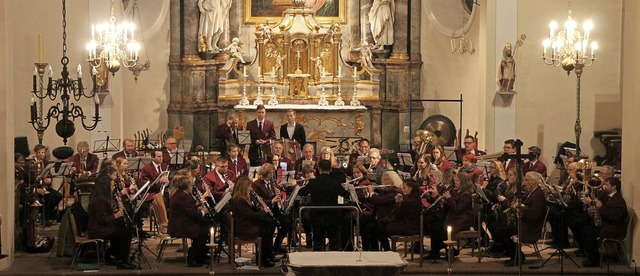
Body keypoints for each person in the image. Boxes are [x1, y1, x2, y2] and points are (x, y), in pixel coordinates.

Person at [492, 172, 546, 267]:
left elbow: (534, 216)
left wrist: (519, 210)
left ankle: (517, 256)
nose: (524, 183)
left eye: (527, 180)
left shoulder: (538, 195)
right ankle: (515, 255)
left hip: (530, 228)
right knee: (496, 227)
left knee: (501, 232)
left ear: (534, 182)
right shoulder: (532, 192)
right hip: (524, 223)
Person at [298, 160, 351, 251]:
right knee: (333, 243)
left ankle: (318, 262)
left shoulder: (313, 182)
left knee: (318, 242)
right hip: (333, 216)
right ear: (330, 169)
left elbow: (301, 192)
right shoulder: (335, 182)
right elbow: (346, 195)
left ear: (319, 169)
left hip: (317, 216)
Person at [577, 177, 628, 267]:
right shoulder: (609, 197)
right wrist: (594, 209)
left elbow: (615, 217)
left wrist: (600, 207)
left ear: (614, 187)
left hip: (615, 229)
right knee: (585, 228)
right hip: (608, 225)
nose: (604, 186)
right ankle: (590, 255)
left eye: (607, 185)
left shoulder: (618, 200)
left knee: (590, 232)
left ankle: (594, 260)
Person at [86, 174, 135, 269]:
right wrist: (115, 215)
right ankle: (122, 261)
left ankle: (111, 255)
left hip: (101, 227)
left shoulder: (102, 197)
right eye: (112, 186)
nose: (113, 188)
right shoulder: (99, 200)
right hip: (97, 229)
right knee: (125, 234)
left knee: (123, 230)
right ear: (106, 187)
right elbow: (102, 219)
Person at [168, 174, 212, 267]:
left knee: (205, 225)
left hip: (182, 221)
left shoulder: (181, 194)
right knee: (202, 231)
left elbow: (188, 208)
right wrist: (203, 211)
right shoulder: (183, 197)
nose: (192, 187)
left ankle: (201, 255)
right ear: (187, 187)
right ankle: (193, 259)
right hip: (180, 226)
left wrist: (197, 204)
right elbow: (194, 214)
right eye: (191, 185)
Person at [231, 176, 276, 267]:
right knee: (266, 231)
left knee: (268, 225)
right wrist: (264, 211)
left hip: (246, 224)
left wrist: (257, 204)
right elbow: (251, 216)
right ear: (244, 187)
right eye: (249, 186)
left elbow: (251, 213)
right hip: (244, 228)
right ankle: (264, 259)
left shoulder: (243, 198)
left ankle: (266, 256)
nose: (251, 188)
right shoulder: (240, 200)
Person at [251, 163, 290, 254]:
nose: (272, 175)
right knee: (270, 224)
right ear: (264, 173)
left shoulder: (272, 183)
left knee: (287, 222)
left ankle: (277, 245)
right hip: (264, 212)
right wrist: (272, 201)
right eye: (270, 173)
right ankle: (268, 250)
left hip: (274, 211)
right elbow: (258, 201)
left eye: (273, 172)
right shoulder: (256, 184)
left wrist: (278, 196)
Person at [377, 179, 422, 251]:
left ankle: (387, 250)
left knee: (380, 228)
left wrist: (398, 203)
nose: (402, 189)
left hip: (407, 227)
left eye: (404, 188)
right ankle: (387, 249)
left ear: (410, 188)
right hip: (411, 225)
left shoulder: (408, 201)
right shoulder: (415, 199)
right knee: (381, 224)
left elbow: (398, 215)